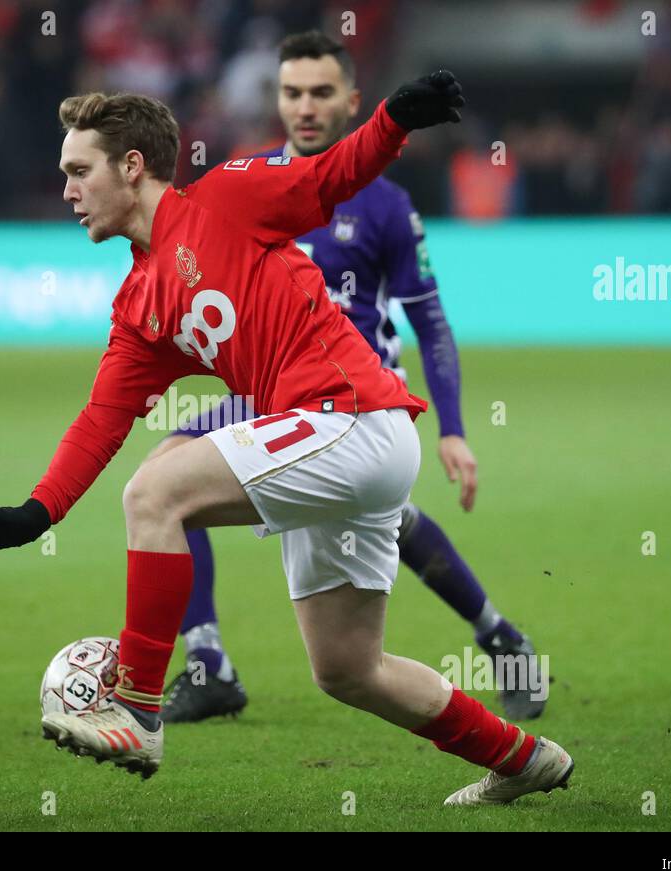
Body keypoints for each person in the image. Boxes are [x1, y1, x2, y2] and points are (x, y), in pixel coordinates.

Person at [0, 72, 575, 805]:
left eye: (78, 170)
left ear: (131, 167)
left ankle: (139, 706)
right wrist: (37, 511)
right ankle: (521, 758)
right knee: (347, 668)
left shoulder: (225, 197)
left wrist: (391, 121)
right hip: (335, 444)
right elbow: (100, 419)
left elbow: (327, 177)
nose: (67, 190)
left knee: (155, 492)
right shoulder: (140, 303)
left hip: (349, 417)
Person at [155, 32, 546, 725]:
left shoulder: (386, 204)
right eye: (292, 93)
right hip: (267, 390)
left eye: (322, 93)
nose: (305, 107)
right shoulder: (245, 181)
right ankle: (208, 660)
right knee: (163, 476)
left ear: (353, 101)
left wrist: (453, 430)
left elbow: (430, 320)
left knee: (390, 518)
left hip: (356, 399)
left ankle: (498, 634)